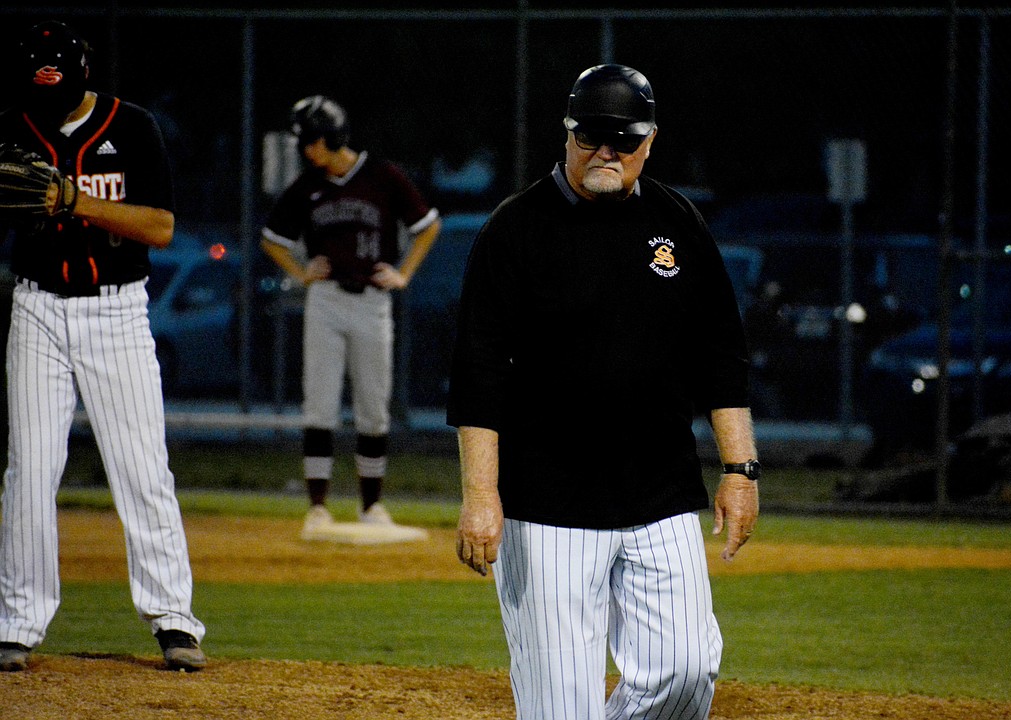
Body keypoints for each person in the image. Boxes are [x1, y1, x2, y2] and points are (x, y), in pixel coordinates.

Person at [448, 63, 761, 719]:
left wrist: (740, 468)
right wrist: (480, 493)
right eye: (591, 135)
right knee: (562, 706)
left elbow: (721, 354)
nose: (606, 152)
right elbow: (478, 372)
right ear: (567, 133)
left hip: (663, 496)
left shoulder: (678, 221)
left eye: (623, 138)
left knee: (686, 673)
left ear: (650, 140)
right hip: (546, 507)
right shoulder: (516, 230)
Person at [0, 20, 206, 672]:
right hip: (36, 308)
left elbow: (161, 226)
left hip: (116, 313)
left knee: (142, 468)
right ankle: (16, 623)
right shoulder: (15, 125)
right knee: (29, 472)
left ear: (81, 76)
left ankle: (175, 620)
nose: (46, 101)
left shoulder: (133, 126)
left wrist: (75, 199)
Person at [260, 95, 441, 537]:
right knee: (318, 403)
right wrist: (302, 274)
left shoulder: (382, 176)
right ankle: (318, 506)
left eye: (311, 140)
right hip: (326, 300)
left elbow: (428, 225)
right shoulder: (308, 186)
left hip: (372, 302)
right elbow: (271, 238)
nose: (307, 149)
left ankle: (372, 505)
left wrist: (403, 275)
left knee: (373, 407)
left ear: (331, 137)